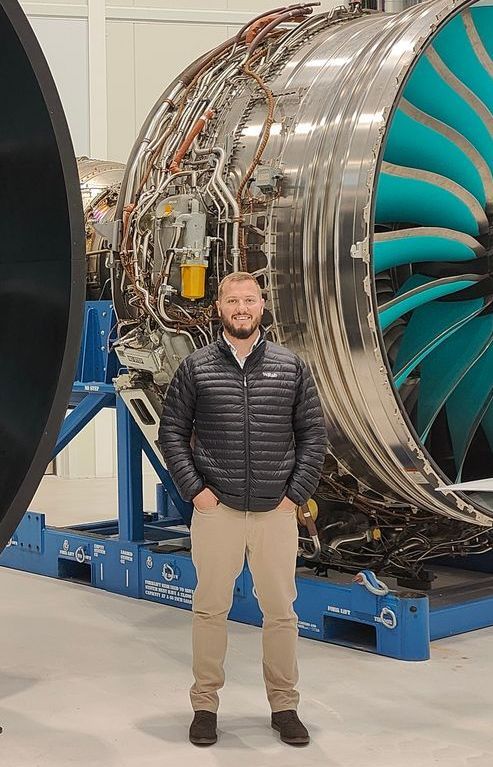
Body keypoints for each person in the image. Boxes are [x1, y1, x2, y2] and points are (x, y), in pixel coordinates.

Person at [158, 271, 327, 747]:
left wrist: (295, 495)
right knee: (210, 609)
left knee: (281, 613)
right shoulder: (196, 367)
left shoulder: (291, 367)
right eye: (232, 301)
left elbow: (313, 435)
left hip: (276, 511)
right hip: (219, 510)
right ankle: (205, 706)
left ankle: (284, 706)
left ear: (261, 305)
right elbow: (172, 432)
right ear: (219, 308)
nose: (241, 309)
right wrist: (197, 492)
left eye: (249, 300)